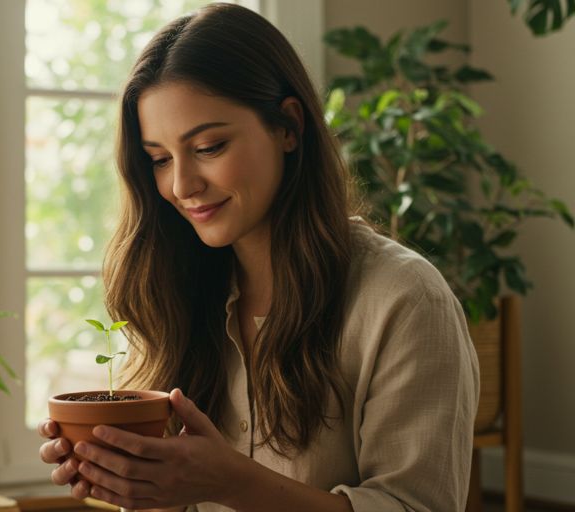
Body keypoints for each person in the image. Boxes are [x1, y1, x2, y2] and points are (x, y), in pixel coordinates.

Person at [37, 3, 480, 511]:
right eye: (159, 159)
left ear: (288, 126)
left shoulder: (404, 299)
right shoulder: (176, 288)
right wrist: (127, 474)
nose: (181, 185)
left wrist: (232, 483)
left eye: (208, 146)